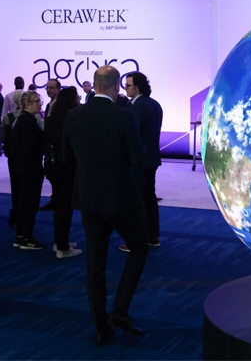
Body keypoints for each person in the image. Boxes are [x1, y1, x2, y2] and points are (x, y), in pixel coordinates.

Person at [63, 65, 148, 345]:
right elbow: (138, 161)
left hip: (88, 199)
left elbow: (68, 160)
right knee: (139, 248)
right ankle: (120, 311)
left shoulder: (73, 116)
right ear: (115, 88)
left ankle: (101, 327)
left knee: (95, 263)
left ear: (95, 86)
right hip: (119, 199)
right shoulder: (125, 116)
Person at [119, 71, 163, 251]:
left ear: (137, 87)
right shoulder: (154, 104)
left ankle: (139, 239)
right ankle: (152, 236)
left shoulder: (137, 107)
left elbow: (131, 134)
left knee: (138, 200)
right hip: (151, 158)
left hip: (138, 160)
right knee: (149, 198)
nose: (125, 88)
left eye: (128, 85)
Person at [43, 86, 82, 258]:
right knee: (65, 206)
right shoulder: (73, 117)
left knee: (60, 204)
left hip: (52, 165)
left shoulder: (52, 117)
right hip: (66, 166)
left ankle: (60, 241)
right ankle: (62, 246)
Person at [11, 90, 46, 250]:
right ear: (27, 104)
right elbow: (29, 147)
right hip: (29, 168)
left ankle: (22, 235)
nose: (40, 104)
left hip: (24, 167)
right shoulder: (27, 123)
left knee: (25, 202)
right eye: (37, 101)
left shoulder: (23, 120)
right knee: (29, 203)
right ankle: (25, 237)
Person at [1, 89, 24, 229]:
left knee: (15, 185)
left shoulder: (8, 118)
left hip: (12, 156)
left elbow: (3, 137)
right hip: (25, 157)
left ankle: (16, 212)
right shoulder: (33, 117)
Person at [40, 78, 61, 211]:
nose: (48, 90)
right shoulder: (49, 105)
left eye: (51, 87)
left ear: (59, 89)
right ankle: (55, 199)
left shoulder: (60, 106)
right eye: (47, 87)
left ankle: (58, 201)